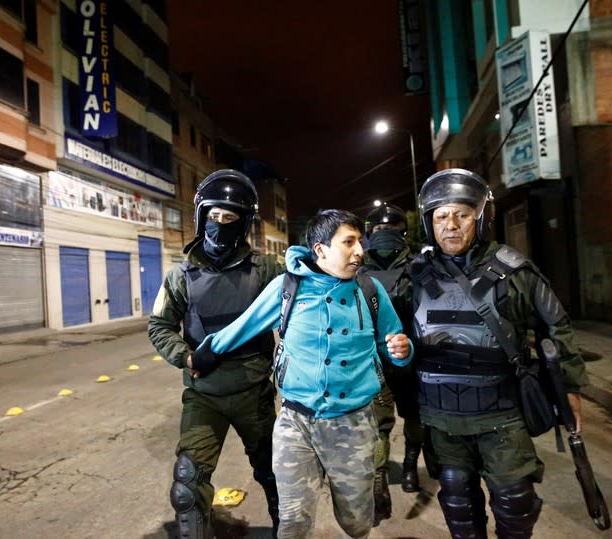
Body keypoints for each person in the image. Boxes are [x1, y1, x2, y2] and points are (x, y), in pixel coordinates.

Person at [191, 209, 413, 539]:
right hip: (296, 423)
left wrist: (402, 351)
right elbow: (244, 326)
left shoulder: (369, 290)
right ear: (321, 249)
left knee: (356, 522)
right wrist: (205, 353)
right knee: (293, 522)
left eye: (360, 242)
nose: (360, 251)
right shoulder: (288, 287)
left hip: (353, 425)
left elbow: (394, 342)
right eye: (348, 242)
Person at [410, 168, 589, 538]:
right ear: (430, 223)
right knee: (458, 503)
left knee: (515, 503)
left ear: (480, 217)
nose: (451, 225)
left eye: (462, 214)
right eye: (441, 216)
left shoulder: (514, 271)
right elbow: (382, 325)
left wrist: (569, 388)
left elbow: (556, 326)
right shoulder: (413, 275)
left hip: (502, 415)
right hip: (442, 418)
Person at [146, 169, 282, 539]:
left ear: (244, 224)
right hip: (204, 395)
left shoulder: (267, 271)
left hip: (254, 393)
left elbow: (301, 312)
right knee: (187, 486)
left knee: (277, 477)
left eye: (230, 218)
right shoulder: (180, 276)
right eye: (214, 216)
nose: (220, 225)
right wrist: (187, 358)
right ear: (201, 216)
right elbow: (159, 326)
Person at [358, 203, 425, 522]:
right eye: (378, 230)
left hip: (411, 356)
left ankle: (410, 465)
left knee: (413, 417)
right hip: (375, 359)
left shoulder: (419, 266)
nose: (383, 235)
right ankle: (381, 476)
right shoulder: (358, 267)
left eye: (390, 230)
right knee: (379, 422)